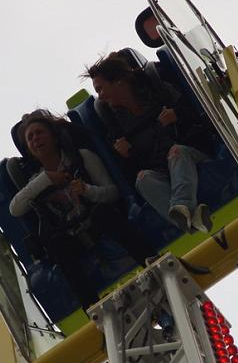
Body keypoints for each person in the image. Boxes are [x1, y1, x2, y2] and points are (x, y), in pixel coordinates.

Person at [9, 110, 153, 309]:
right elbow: (15, 208)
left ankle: (151, 261)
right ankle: (93, 309)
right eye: (30, 137)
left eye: (39, 132)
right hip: (70, 237)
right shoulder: (36, 182)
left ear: (52, 135)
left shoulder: (82, 158)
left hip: (97, 221)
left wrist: (87, 191)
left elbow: (112, 193)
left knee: (102, 213)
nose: (36, 139)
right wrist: (47, 179)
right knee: (57, 244)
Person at [84, 52, 214, 234]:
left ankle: (184, 212)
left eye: (101, 89)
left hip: (190, 154)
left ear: (119, 81)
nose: (101, 96)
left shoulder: (157, 90)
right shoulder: (114, 122)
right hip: (159, 169)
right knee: (143, 178)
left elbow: (198, 112)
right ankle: (190, 220)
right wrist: (125, 155)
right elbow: (130, 172)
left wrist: (177, 115)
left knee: (176, 152)